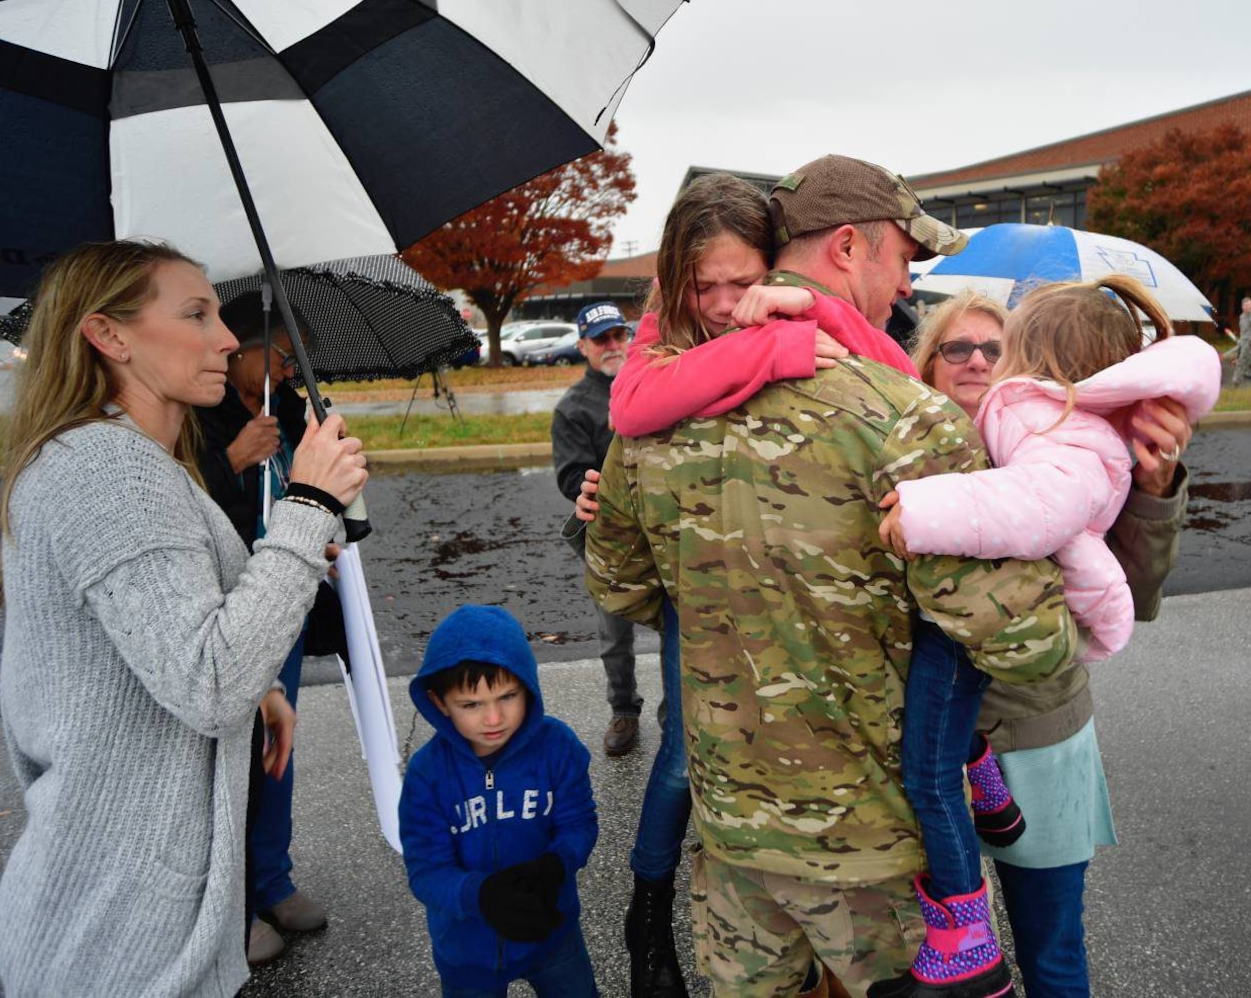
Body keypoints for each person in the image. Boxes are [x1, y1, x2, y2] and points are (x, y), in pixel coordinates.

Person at [586, 155, 1081, 995]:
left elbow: (622, 586)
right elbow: (1026, 643)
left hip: (734, 841)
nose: (907, 284)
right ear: (853, 247)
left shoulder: (652, 420)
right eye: (905, 258)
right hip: (873, 856)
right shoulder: (904, 416)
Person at [0, 239, 367, 996]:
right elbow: (208, 680)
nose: (227, 337)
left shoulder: (132, 460)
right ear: (109, 335)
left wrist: (263, 686)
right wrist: (308, 506)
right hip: (116, 930)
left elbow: (160, 635)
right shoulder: (107, 468)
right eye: (195, 313)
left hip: (136, 907)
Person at [876, 277, 1219, 992]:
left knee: (1051, 949)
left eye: (991, 347)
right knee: (923, 945)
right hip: (922, 740)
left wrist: (1154, 491)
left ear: (1024, 362)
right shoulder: (893, 449)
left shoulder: (1062, 448)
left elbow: (1137, 596)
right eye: (955, 347)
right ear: (925, 362)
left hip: (1036, 737)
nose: (974, 360)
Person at [196, 295, 342, 963]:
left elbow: (299, 503)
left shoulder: (282, 410)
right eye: (285, 357)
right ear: (244, 348)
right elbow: (186, 507)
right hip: (227, 610)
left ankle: (272, 879)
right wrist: (233, 458)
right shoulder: (199, 415)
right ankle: (234, 907)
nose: (288, 372)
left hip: (281, 604)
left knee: (275, 756)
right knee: (235, 764)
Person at [400, 604, 600, 997]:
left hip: (553, 933)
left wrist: (557, 863)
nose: (493, 719)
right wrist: (481, 895)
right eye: (471, 704)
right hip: (466, 950)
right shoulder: (427, 774)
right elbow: (425, 871)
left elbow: (579, 822)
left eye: (508, 696)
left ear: (528, 687)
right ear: (439, 702)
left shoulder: (558, 747)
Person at [551, 300, 642, 756]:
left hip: (662, 532)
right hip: (609, 538)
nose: (612, 346)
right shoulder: (573, 408)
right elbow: (570, 477)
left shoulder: (652, 382)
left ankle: (681, 715)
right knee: (614, 634)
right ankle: (624, 710)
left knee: (680, 628)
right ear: (582, 345)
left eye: (618, 336)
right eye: (601, 339)